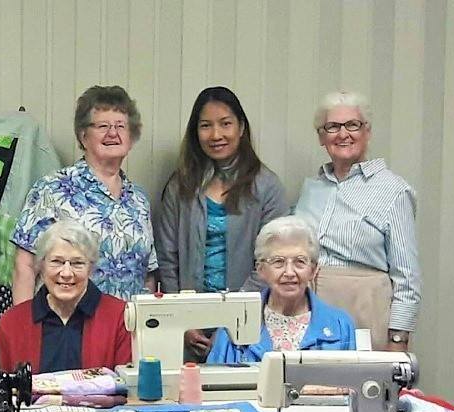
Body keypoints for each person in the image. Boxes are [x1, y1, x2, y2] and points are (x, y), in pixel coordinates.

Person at [155, 86, 289, 359]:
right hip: (187, 323)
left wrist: (231, 320)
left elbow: (273, 262)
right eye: (206, 126)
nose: (216, 135)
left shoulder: (266, 186)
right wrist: (181, 320)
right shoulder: (180, 185)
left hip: (250, 321)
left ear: (241, 128)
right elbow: (167, 258)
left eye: (225, 124)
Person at [293, 90, 420, 351]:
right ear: (321, 136)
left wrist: (398, 340)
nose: (343, 134)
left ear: (367, 132)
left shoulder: (394, 191)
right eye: (332, 126)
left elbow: (406, 277)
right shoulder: (311, 189)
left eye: (353, 125)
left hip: (365, 312)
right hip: (308, 311)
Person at [12, 85, 157, 304]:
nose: (112, 133)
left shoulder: (138, 200)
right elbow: (25, 266)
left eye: (120, 126)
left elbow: (148, 274)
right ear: (83, 135)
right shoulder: (52, 188)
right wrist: (23, 330)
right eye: (102, 126)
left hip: (127, 330)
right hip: (66, 328)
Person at [206, 216, 355, 362]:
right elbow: (212, 385)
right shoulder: (233, 327)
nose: (289, 272)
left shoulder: (340, 325)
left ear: (313, 270)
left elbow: (352, 384)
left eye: (300, 262)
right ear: (260, 269)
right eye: (278, 261)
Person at [0, 220, 131, 372]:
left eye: (77, 263)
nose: (66, 273)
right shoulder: (13, 322)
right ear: (41, 265)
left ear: (90, 268)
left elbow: (130, 389)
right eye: (56, 262)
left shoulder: (120, 317)